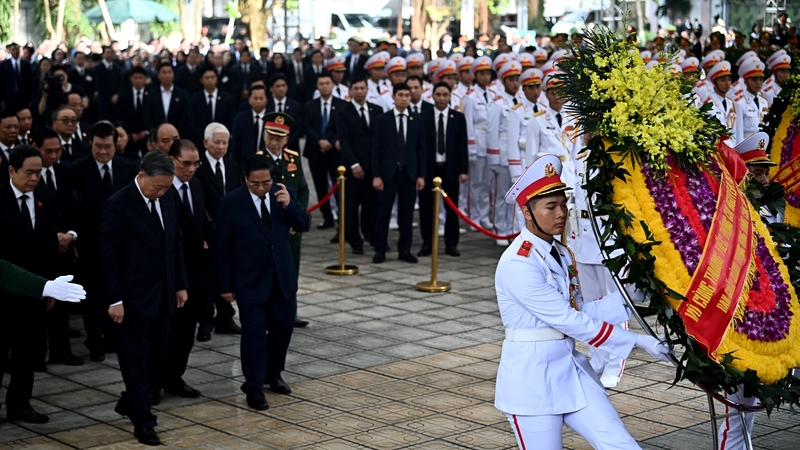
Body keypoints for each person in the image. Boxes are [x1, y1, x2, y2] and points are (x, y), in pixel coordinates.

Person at [495, 154, 671, 450]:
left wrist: (632, 295)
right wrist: (639, 342)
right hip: (531, 380)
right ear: (527, 212)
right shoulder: (518, 263)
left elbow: (581, 311)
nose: (561, 213)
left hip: (571, 370)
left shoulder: (561, 253)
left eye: (563, 204)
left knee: (621, 444)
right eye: (550, 207)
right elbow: (569, 321)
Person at [101, 151, 188, 446]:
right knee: (135, 364)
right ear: (141, 176)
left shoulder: (169, 197)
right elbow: (108, 258)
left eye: (166, 187)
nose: (162, 192)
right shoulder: (118, 205)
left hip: (163, 295)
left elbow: (174, 242)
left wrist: (180, 284)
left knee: (155, 360)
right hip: (131, 300)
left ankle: (130, 402)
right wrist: (114, 300)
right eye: (157, 187)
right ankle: (144, 422)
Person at [215, 154, 311, 411]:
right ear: (245, 178)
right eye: (255, 183)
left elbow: (304, 223)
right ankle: (254, 386)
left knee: (282, 330)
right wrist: (225, 285)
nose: (260, 188)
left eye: (265, 183)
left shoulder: (283, 194)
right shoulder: (231, 203)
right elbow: (222, 247)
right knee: (254, 336)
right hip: (249, 281)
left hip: (282, 279)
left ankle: (274, 374)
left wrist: (290, 205)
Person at [717, 132, 775, 449]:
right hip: (740, 329)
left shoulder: (769, 210)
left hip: (774, 325)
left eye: (766, 171)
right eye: (757, 173)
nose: (765, 179)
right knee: (738, 417)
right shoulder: (729, 219)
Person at [70, 121, 135, 362]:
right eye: (98, 146)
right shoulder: (78, 169)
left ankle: (113, 337)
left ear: (115, 144)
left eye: (108, 146)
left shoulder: (126, 167)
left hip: (121, 244)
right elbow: (75, 207)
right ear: (91, 144)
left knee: (116, 292)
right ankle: (94, 339)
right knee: (94, 295)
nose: (103, 152)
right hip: (91, 243)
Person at [151, 140, 209, 403]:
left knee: (186, 332)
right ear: (171, 159)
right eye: (186, 163)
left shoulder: (196, 186)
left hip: (194, 273)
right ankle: (152, 383)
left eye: (196, 163)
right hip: (167, 274)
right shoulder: (160, 191)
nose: (192, 168)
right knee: (162, 333)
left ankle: (174, 377)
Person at [32, 128, 84, 367]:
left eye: (58, 150)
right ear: (36, 148)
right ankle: (37, 355)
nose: (54, 155)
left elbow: (76, 207)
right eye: (48, 151)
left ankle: (61, 351)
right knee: (40, 304)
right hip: (41, 250)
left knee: (62, 304)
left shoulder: (66, 171)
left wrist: (70, 235)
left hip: (65, 248)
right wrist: (54, 237)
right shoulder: (29, 176)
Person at [258, 112, 310, 328]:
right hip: (268, 228)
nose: (274, 141)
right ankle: (268, 312)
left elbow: (303, 191)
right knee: (268, 270)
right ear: (264, 136)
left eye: (279, 137)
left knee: (291, 269)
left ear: (287, 139)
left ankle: (290, 312)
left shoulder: (293, 158)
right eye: (271, 135)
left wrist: (296, 218)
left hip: (291, 228)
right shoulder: (258, 160)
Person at [194, 123, 242, 340]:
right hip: (207, 233)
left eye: (225, 142)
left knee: (227, 275)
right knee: (206, 279)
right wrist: (205, 231)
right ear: (206, 143)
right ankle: (205, 321)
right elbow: (198, 202)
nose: (221, 146)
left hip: (230, 233)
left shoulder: (232, 166)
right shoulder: (197, 167)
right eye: (217, 142)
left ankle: (225, 317)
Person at [371, 82, 427, 264]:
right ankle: (380, 248)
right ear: (393, 97)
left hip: (409, 174)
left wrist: (421, 175)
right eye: (400, 95)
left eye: (407, 95)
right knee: (383, 213)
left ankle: (405, 249)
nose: (404, 98)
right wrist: (376, 175)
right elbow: (376, 149)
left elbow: (421, 149)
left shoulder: (416, 119)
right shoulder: (383, 119)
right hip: (388, 174)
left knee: (407, 215)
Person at [418, 82, 468, 257]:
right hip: (429, 170)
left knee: (451, 208)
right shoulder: (423, 117)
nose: (441, 98)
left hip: (450, 169)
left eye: (445, 95)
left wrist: (463, 170)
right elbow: (419, 147)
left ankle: (451, 244)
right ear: (432, 96)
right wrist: (420, 172)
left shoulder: (458, 118)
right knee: (426, 208)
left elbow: (463, 146)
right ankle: (427, 243)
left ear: (449, 97)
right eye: (438, 94)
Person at [338, 76, 382, 255]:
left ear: (367, 89)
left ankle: (371, 235)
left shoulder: (377, 110)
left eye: (362, 88)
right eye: (355, 88)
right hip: (351, 167)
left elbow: (380, 139)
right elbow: (344, 141)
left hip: (373, 167)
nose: (359, 91)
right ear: (350, 91)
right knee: (351, 206)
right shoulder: (343, 112)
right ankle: (354, 240)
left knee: (372, 204)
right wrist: (354, 164)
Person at [302, 72, 347, 230]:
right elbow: (307, 126)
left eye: (327, 83)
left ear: (332, 85)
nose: (325, 86)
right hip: (316, 151)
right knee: (320, 186)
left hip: (335, 151)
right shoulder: (310, 105)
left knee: (338, 185)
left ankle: (342, 218)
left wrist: (331, 141)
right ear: (317, 86)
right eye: (321, 84)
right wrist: (319, 141)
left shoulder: (342, 105)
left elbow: (342, 128)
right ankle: (327, 216)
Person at [462, 56, 495, 231]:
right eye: (482, 74)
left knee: (486, 184)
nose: (485, 77)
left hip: (490, 144)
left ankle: (483, 215)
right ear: (475, 75)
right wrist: (471, 148)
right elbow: (468, 123)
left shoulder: (493, 95)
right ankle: (473, 216)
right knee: (474, 183)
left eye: (488, 73)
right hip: (477, 142)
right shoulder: (470, 97)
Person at [187, 65, 236, 150]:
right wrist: (207, 137)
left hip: (221, 143)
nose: (210, 80)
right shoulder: (194, 100)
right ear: (201, 80)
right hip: (200, 143)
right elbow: (192, 123)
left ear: (217, 78)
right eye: (207, 77)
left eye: (212, 77)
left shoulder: (227, 99)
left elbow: (230, 121)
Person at [705, 61, 743, 146]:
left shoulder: (733, 104)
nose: (727, 83)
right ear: (715, 82)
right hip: (715, 150)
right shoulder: (707, 104)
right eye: (722, 80)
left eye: (729, 80)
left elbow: (738, 132)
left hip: (732, 150)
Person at [144, 63, 189, 132]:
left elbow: (185, 116)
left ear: (173, 74)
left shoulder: (182, 94)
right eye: (164, 72)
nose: (167, 75)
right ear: (158, 75)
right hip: (156, 134)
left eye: (169, 72)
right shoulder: (152, 95)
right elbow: (147, 116)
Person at [230, 85, 269, 163]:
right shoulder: (240, 118)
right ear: (249, 100)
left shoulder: (272, 118)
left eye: (261, 98)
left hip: (267, 163)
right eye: (255, 98)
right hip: (245, 164)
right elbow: (235, 145)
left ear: (267, 99)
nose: (258, 101)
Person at [734, 59, 770, 140]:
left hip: (763, 144)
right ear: (746, 82)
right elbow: (738, 131)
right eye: (754, 80)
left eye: (760, 80)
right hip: (748, 144)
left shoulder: (764, 102)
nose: (758, 83)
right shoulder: (740, 102)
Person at [266, 74, 303, 152]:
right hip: (270, 146)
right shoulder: (266, 105)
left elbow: (298, 127)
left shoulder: (295, 106)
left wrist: (285, 143)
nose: (281, 89)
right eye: (278, 86)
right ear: (271, 89)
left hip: (291, 146)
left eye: (283, 86)